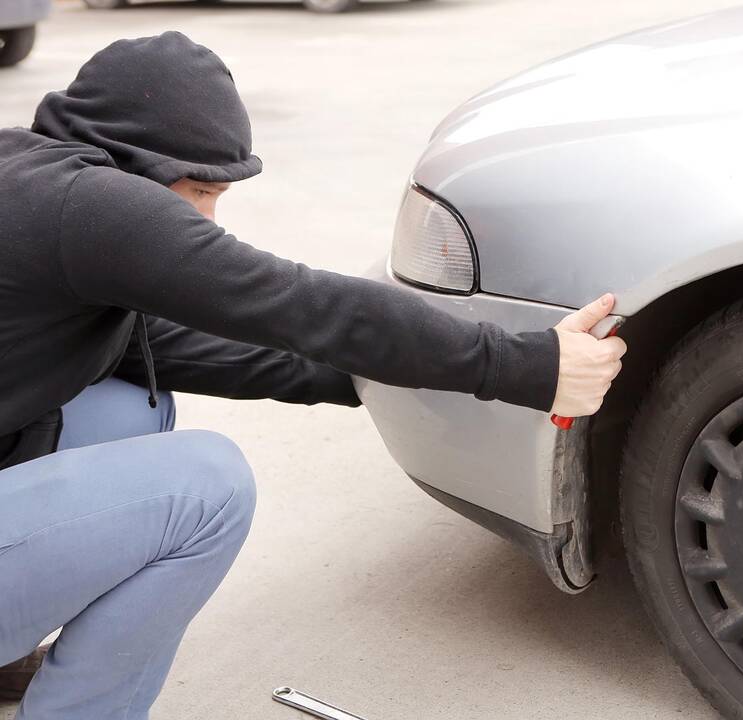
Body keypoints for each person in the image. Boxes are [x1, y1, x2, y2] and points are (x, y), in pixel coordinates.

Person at [0, 32, 627, 720]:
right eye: (201, 191)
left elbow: (163, 348)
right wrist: (528, 365)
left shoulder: (30, 181)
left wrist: (370, 375)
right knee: (209, 486)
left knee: (132, 408)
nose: (206, 219)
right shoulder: (91, 207)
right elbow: (299, 304)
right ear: (141, 163)